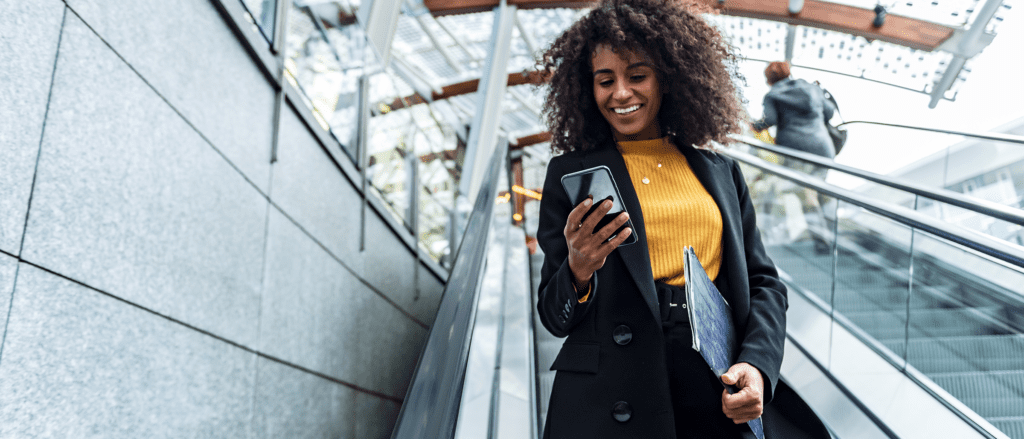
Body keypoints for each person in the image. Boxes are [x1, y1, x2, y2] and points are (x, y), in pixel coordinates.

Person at [534, 1, 828, 438]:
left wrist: (758, 365)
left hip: (712, 378)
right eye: (605, 80)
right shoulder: (570, 175)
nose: (620, 94)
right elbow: (554, 317)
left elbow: (765, 282)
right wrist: (578, 267)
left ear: (668, 78)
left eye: (637, 75)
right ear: (586, 88)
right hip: (609, 392)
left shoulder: (719, 170)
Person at [752, 61, 838, 165]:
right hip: (823, 149)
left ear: (769, 80)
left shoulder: (772, 95)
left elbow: (768, 120)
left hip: (795, 151)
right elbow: (829, 112)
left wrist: (753, 125)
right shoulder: (812, 88)